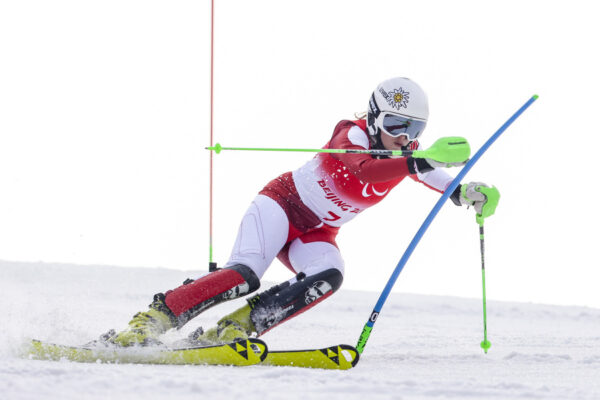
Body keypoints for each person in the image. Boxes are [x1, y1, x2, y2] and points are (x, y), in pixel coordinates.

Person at [108, 77, 500, 347]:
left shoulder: (408, 155)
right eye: (396, 124)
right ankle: (154, 319)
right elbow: (355, 177)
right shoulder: (351, 137)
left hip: (317, 232)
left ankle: (235, 328)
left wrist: (464, 191)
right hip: (280, 205)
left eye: (414, 129)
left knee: (329, 275)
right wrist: (418, 161)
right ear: (375, 117)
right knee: (243, 275)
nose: (404, 137)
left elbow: (430, 174)